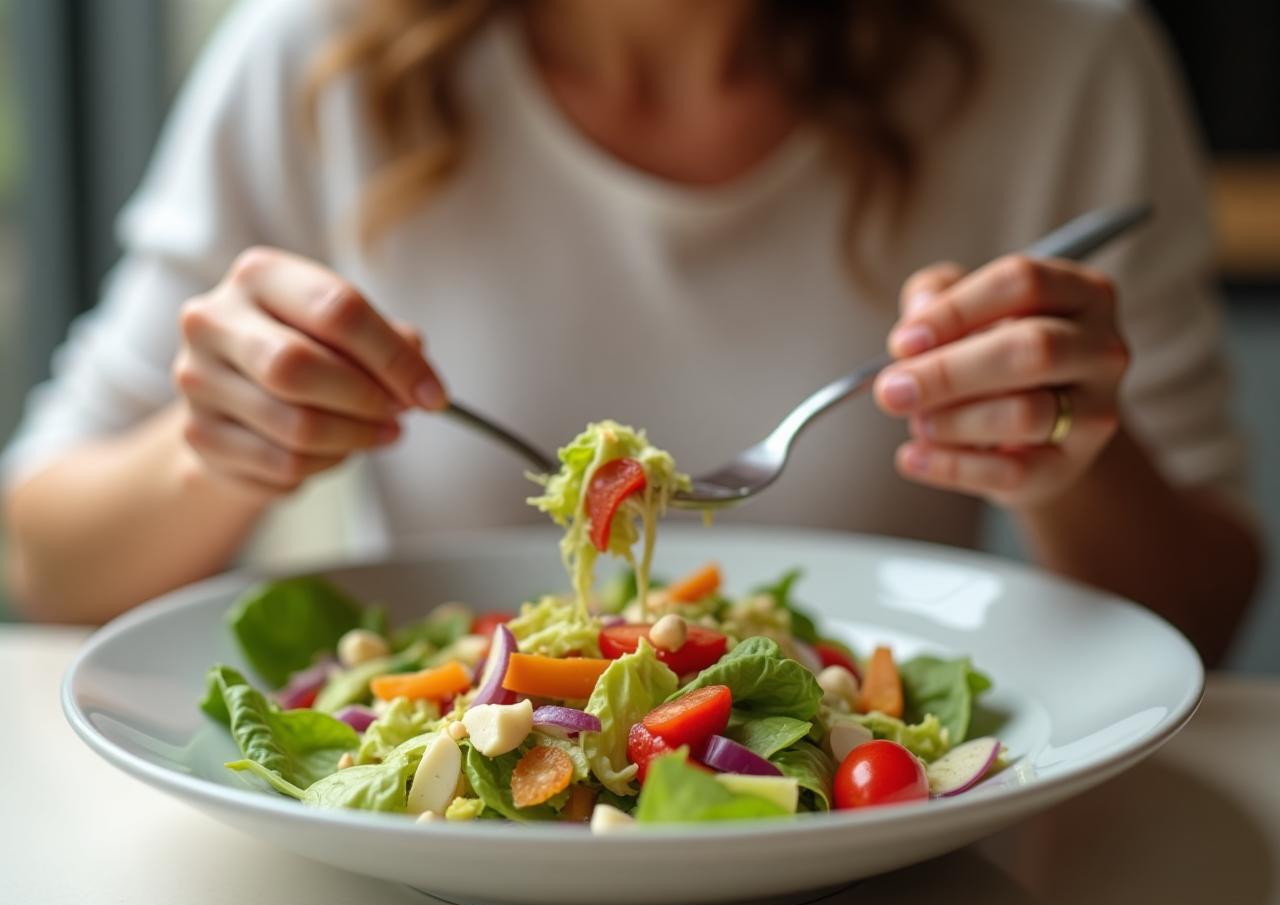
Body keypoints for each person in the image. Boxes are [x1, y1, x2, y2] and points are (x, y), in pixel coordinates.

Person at [1, 0, 1262, 663]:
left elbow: (1200, 617)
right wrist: (215, 445)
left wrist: (1065, 449)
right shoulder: (311, 56)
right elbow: (45, 562)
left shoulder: (1066, 58)